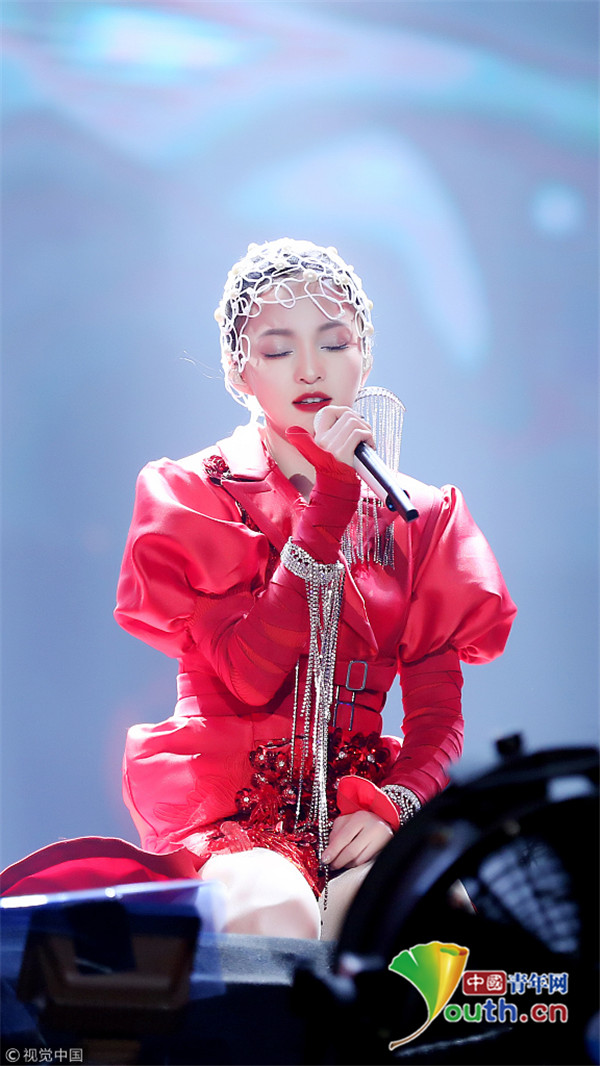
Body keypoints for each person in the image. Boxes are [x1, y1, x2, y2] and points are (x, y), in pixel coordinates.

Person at [111, 238, 517, 941]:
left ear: (365, 356)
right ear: (238, 370)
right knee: (277, 912)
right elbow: (248, 673)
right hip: (233, 808)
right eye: (278, 350)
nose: (310, 368)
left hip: (356, 811)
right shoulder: (195, 493)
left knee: (424, 918)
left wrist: (396, 804)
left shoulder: (421, 515)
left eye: (334, 343)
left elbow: (437, 712)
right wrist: (330, 500)